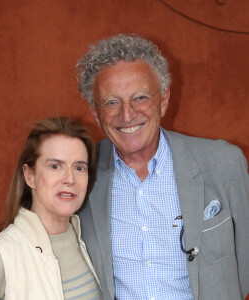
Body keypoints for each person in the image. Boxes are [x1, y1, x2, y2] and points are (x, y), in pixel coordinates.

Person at [76, 34, 249, 300]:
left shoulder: (224, 163)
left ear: (164, 100)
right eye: (112, 102)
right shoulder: (81, 174)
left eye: (141, 97)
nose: (127, 114)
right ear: (95, 112)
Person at [0, 116, 102, 300]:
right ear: (29, 175)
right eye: (55, 166)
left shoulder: (89, 241)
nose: (70, 179)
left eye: (79, 168)